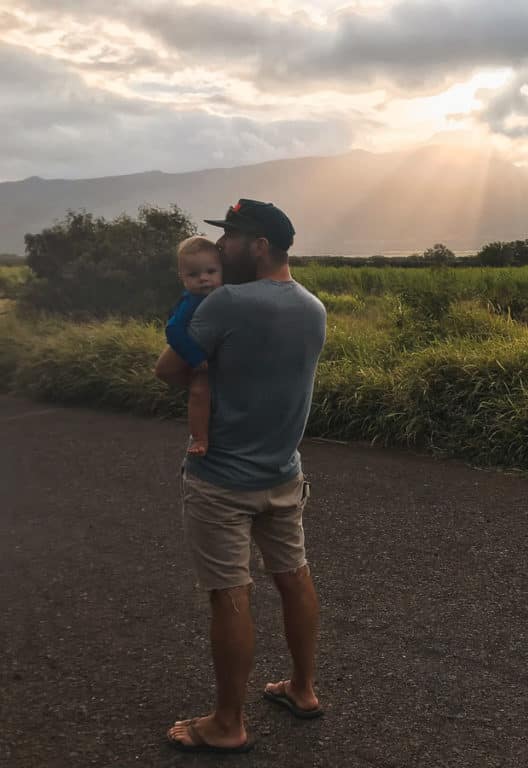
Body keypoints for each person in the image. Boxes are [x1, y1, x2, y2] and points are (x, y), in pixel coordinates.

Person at [154, 199, 327, 754]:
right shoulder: (313, 307)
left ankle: (228, 723)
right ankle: (302, 689)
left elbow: (169, 369)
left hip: (223, 478)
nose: (219, 248)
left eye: (230, 238)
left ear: (256, 246)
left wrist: (214, 390)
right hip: (283, 472)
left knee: (230, 594)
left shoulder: (225, 302)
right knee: (293, 575)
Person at [165, 236, 222, 456]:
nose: (204, 279)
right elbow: (173, 330)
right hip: (198, 359)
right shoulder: (192, 301)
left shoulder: (223, 293)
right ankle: (199, 438)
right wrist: (196, 359)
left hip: (214, 357)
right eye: (194, 275)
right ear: (182, 278)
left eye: (210, 271)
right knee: (199, 391)